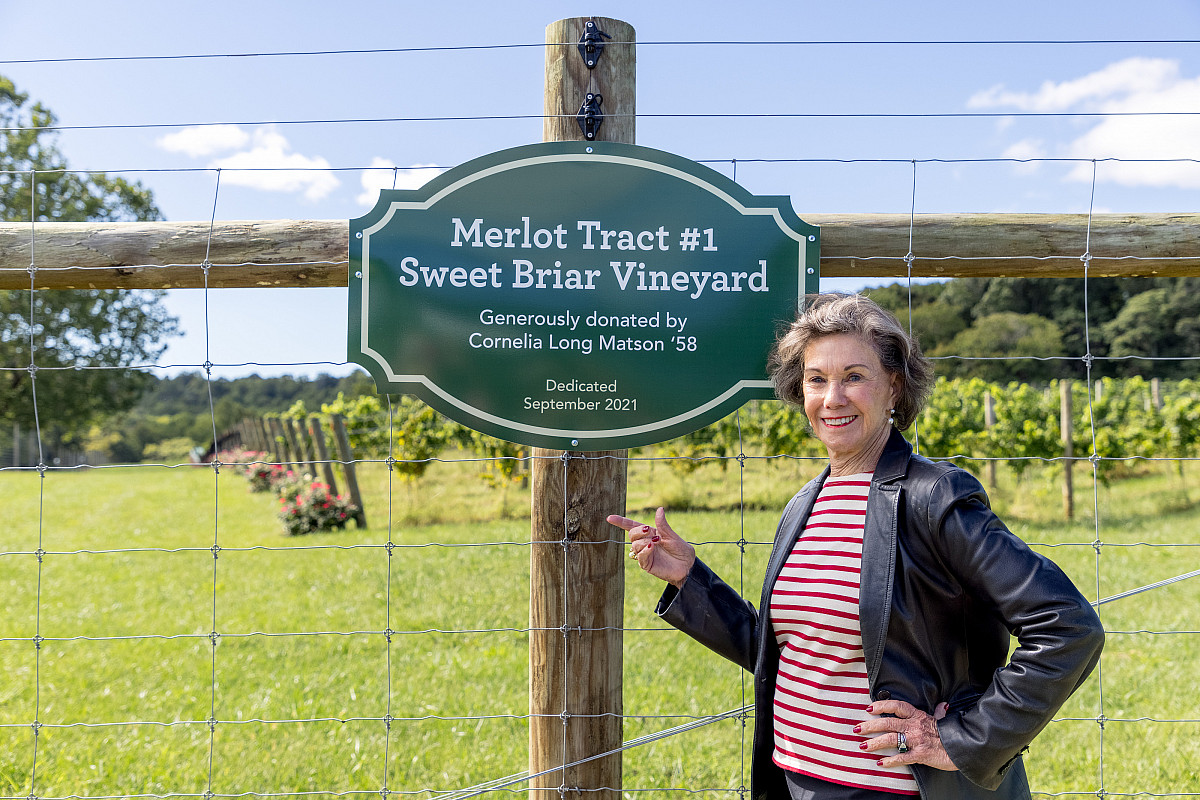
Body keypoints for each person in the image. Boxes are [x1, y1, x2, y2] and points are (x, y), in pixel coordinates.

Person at [608, 293, 1104, 800]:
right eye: (816, 379)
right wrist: (690, 579)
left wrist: (961, 739)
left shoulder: (934, 496)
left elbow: (1069, 627)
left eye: (854, 377)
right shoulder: (807, 501)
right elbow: (791, 651)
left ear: (894, 385)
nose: (832, 397)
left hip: (892, 790)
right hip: (796, 783)